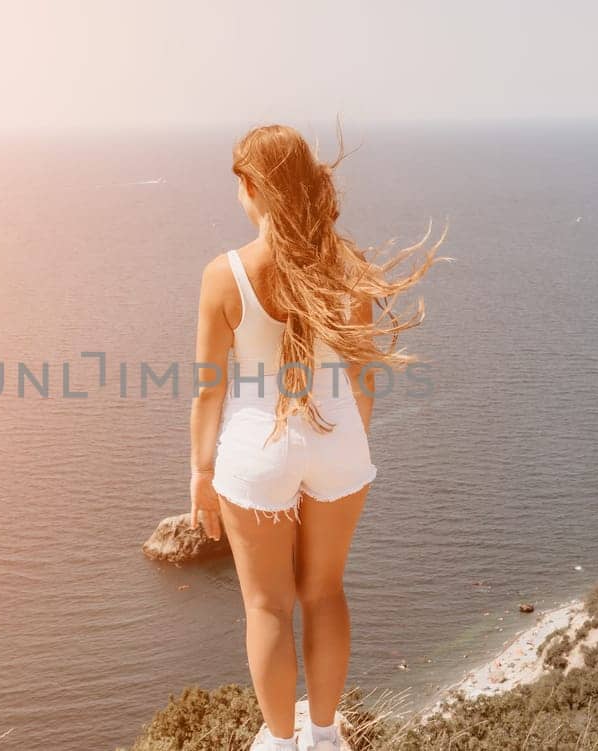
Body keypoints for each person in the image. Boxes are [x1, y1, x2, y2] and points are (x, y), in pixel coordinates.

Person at [187, 124, 440, 751]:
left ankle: (279, 742)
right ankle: (324, 736)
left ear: (251, 188)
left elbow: (208, 390)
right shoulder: (349, 266)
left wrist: (199, 474)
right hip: (338, 443)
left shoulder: (225, 275)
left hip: (256, 452)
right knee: (324, 592)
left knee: (267, 608)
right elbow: (364, 377)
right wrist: (349, 447)